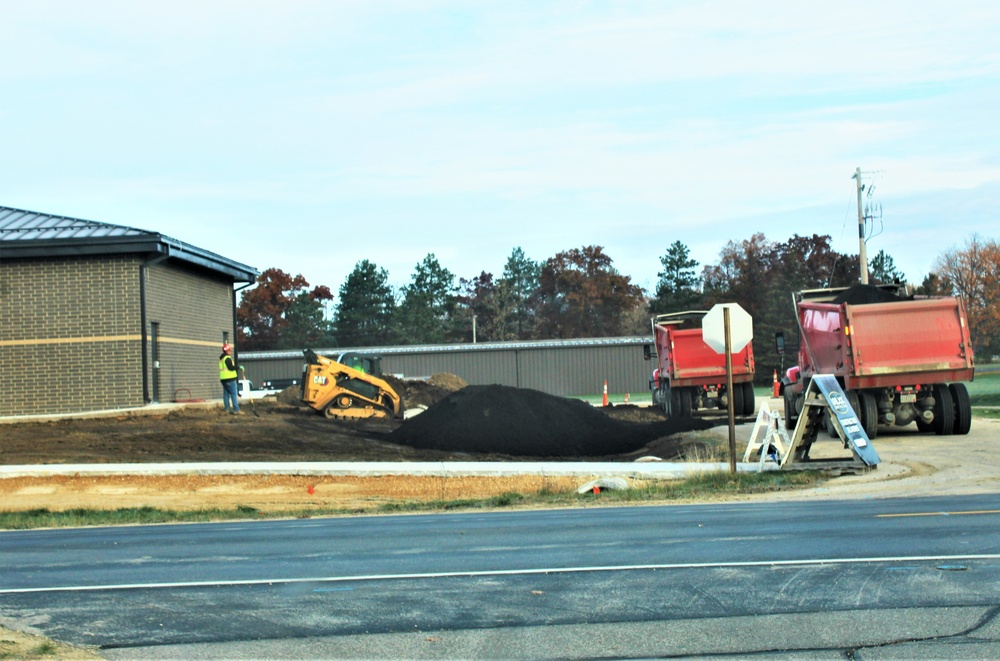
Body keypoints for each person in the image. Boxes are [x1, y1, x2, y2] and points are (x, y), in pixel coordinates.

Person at [219, 343, 243, 414]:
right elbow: (231, 367)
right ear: (227, 351)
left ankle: (227, 409)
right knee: (233, 394)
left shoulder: (221, 359)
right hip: (230, 379)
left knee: (226, 394)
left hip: (223, 379)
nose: (231, 351)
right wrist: (238, 367)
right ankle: (236, 409)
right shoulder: (227, 358)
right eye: (230, 350)